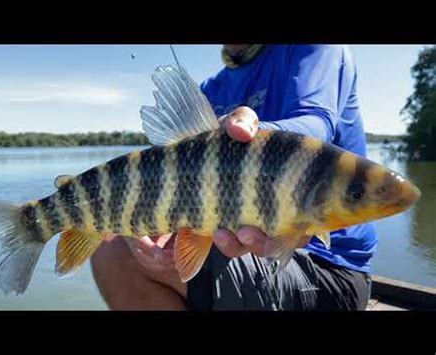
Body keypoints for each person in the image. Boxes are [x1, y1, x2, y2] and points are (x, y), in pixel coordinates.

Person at [90, 44, 375, 310]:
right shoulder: (210, 90)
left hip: (326, 269)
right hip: (238, 252)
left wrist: (247, 134)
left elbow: (315, 124)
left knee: (113, 258)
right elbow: (168, 181)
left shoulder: (311, 50)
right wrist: (140, 231)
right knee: (115, 246)